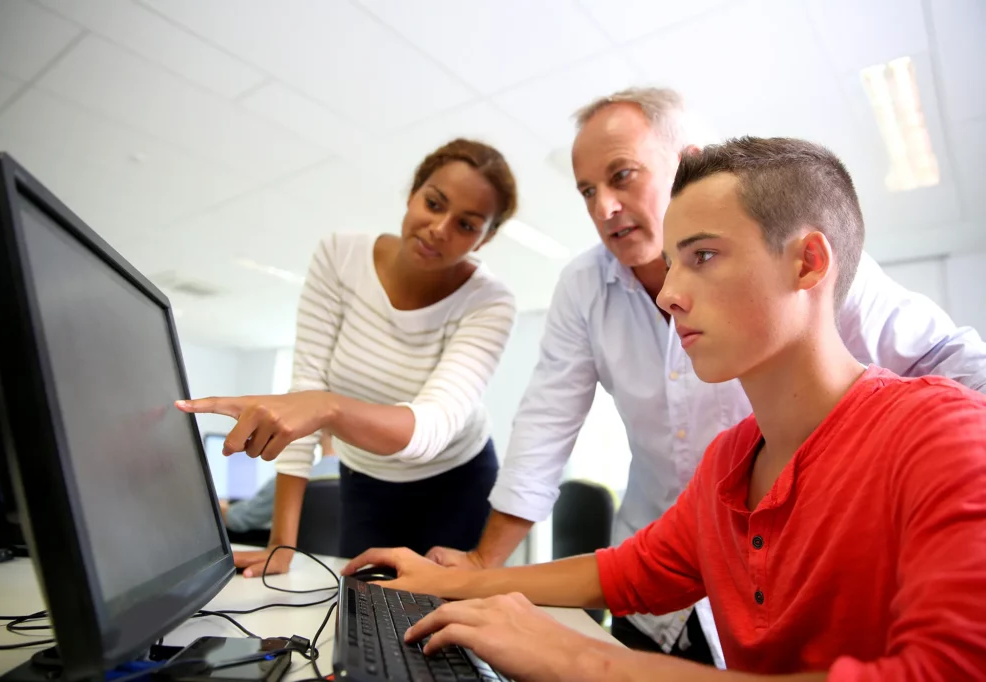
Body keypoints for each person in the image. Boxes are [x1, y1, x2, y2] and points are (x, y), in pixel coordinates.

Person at [343, 136, 986, 681]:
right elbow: (625, 571)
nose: (671, 293)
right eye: (673, 263)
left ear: (808, 263)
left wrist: (581, 659)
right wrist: (453, 581)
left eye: (702, 256)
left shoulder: (943, 435)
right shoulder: (731, 463)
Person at [177, 138, 518, 577]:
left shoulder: (489, 301)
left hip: (457, 480)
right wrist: (282, 544)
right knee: (362, 606)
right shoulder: (341, 258)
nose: (440, 228)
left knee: (446, 617)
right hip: (365, 479)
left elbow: (431, 428)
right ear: (414, 192)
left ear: (486, 237)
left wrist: (326, 408)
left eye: (467, 225)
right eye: (434, 204)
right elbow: (305, 394)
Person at [219, 431, 338, 536]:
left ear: (321, 431)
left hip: (300, 558)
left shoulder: (292, 479)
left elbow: (241, 518)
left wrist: (217, 508)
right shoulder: (355, 481)